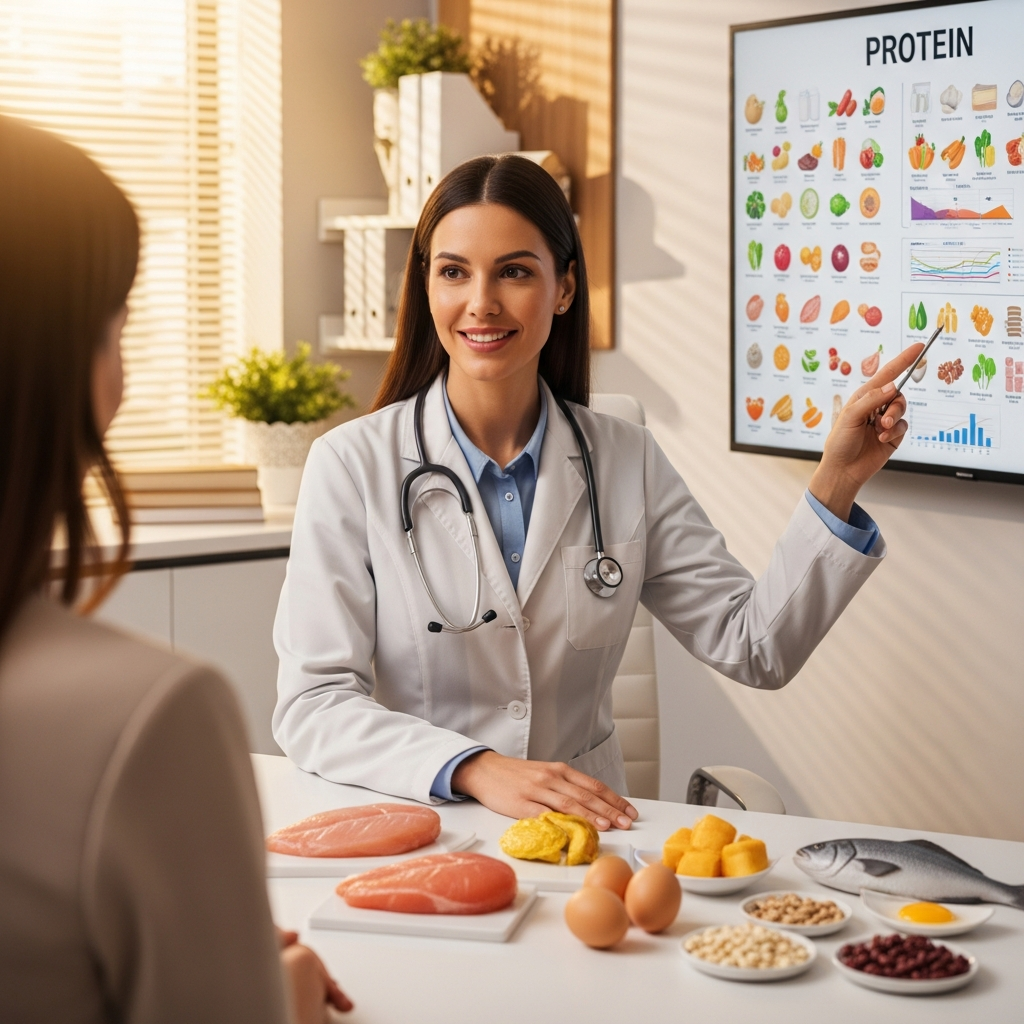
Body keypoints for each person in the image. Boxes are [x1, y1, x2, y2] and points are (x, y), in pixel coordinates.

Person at [273, 154, 920, 832]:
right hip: (430, 830)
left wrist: (838, 479)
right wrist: (475, 766)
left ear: (564, 287)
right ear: (427, 285)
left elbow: (755, 647)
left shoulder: (625, 458)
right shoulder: (352, 465)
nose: (481, 302)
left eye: (514, 271)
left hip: (591, 838)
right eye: (454, 272)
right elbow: (313, 704)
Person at [0, 115, 351, 1022]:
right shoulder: (145, 717)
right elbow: (316, 700)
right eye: (114, 325)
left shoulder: (619, 451)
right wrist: (282, 994)